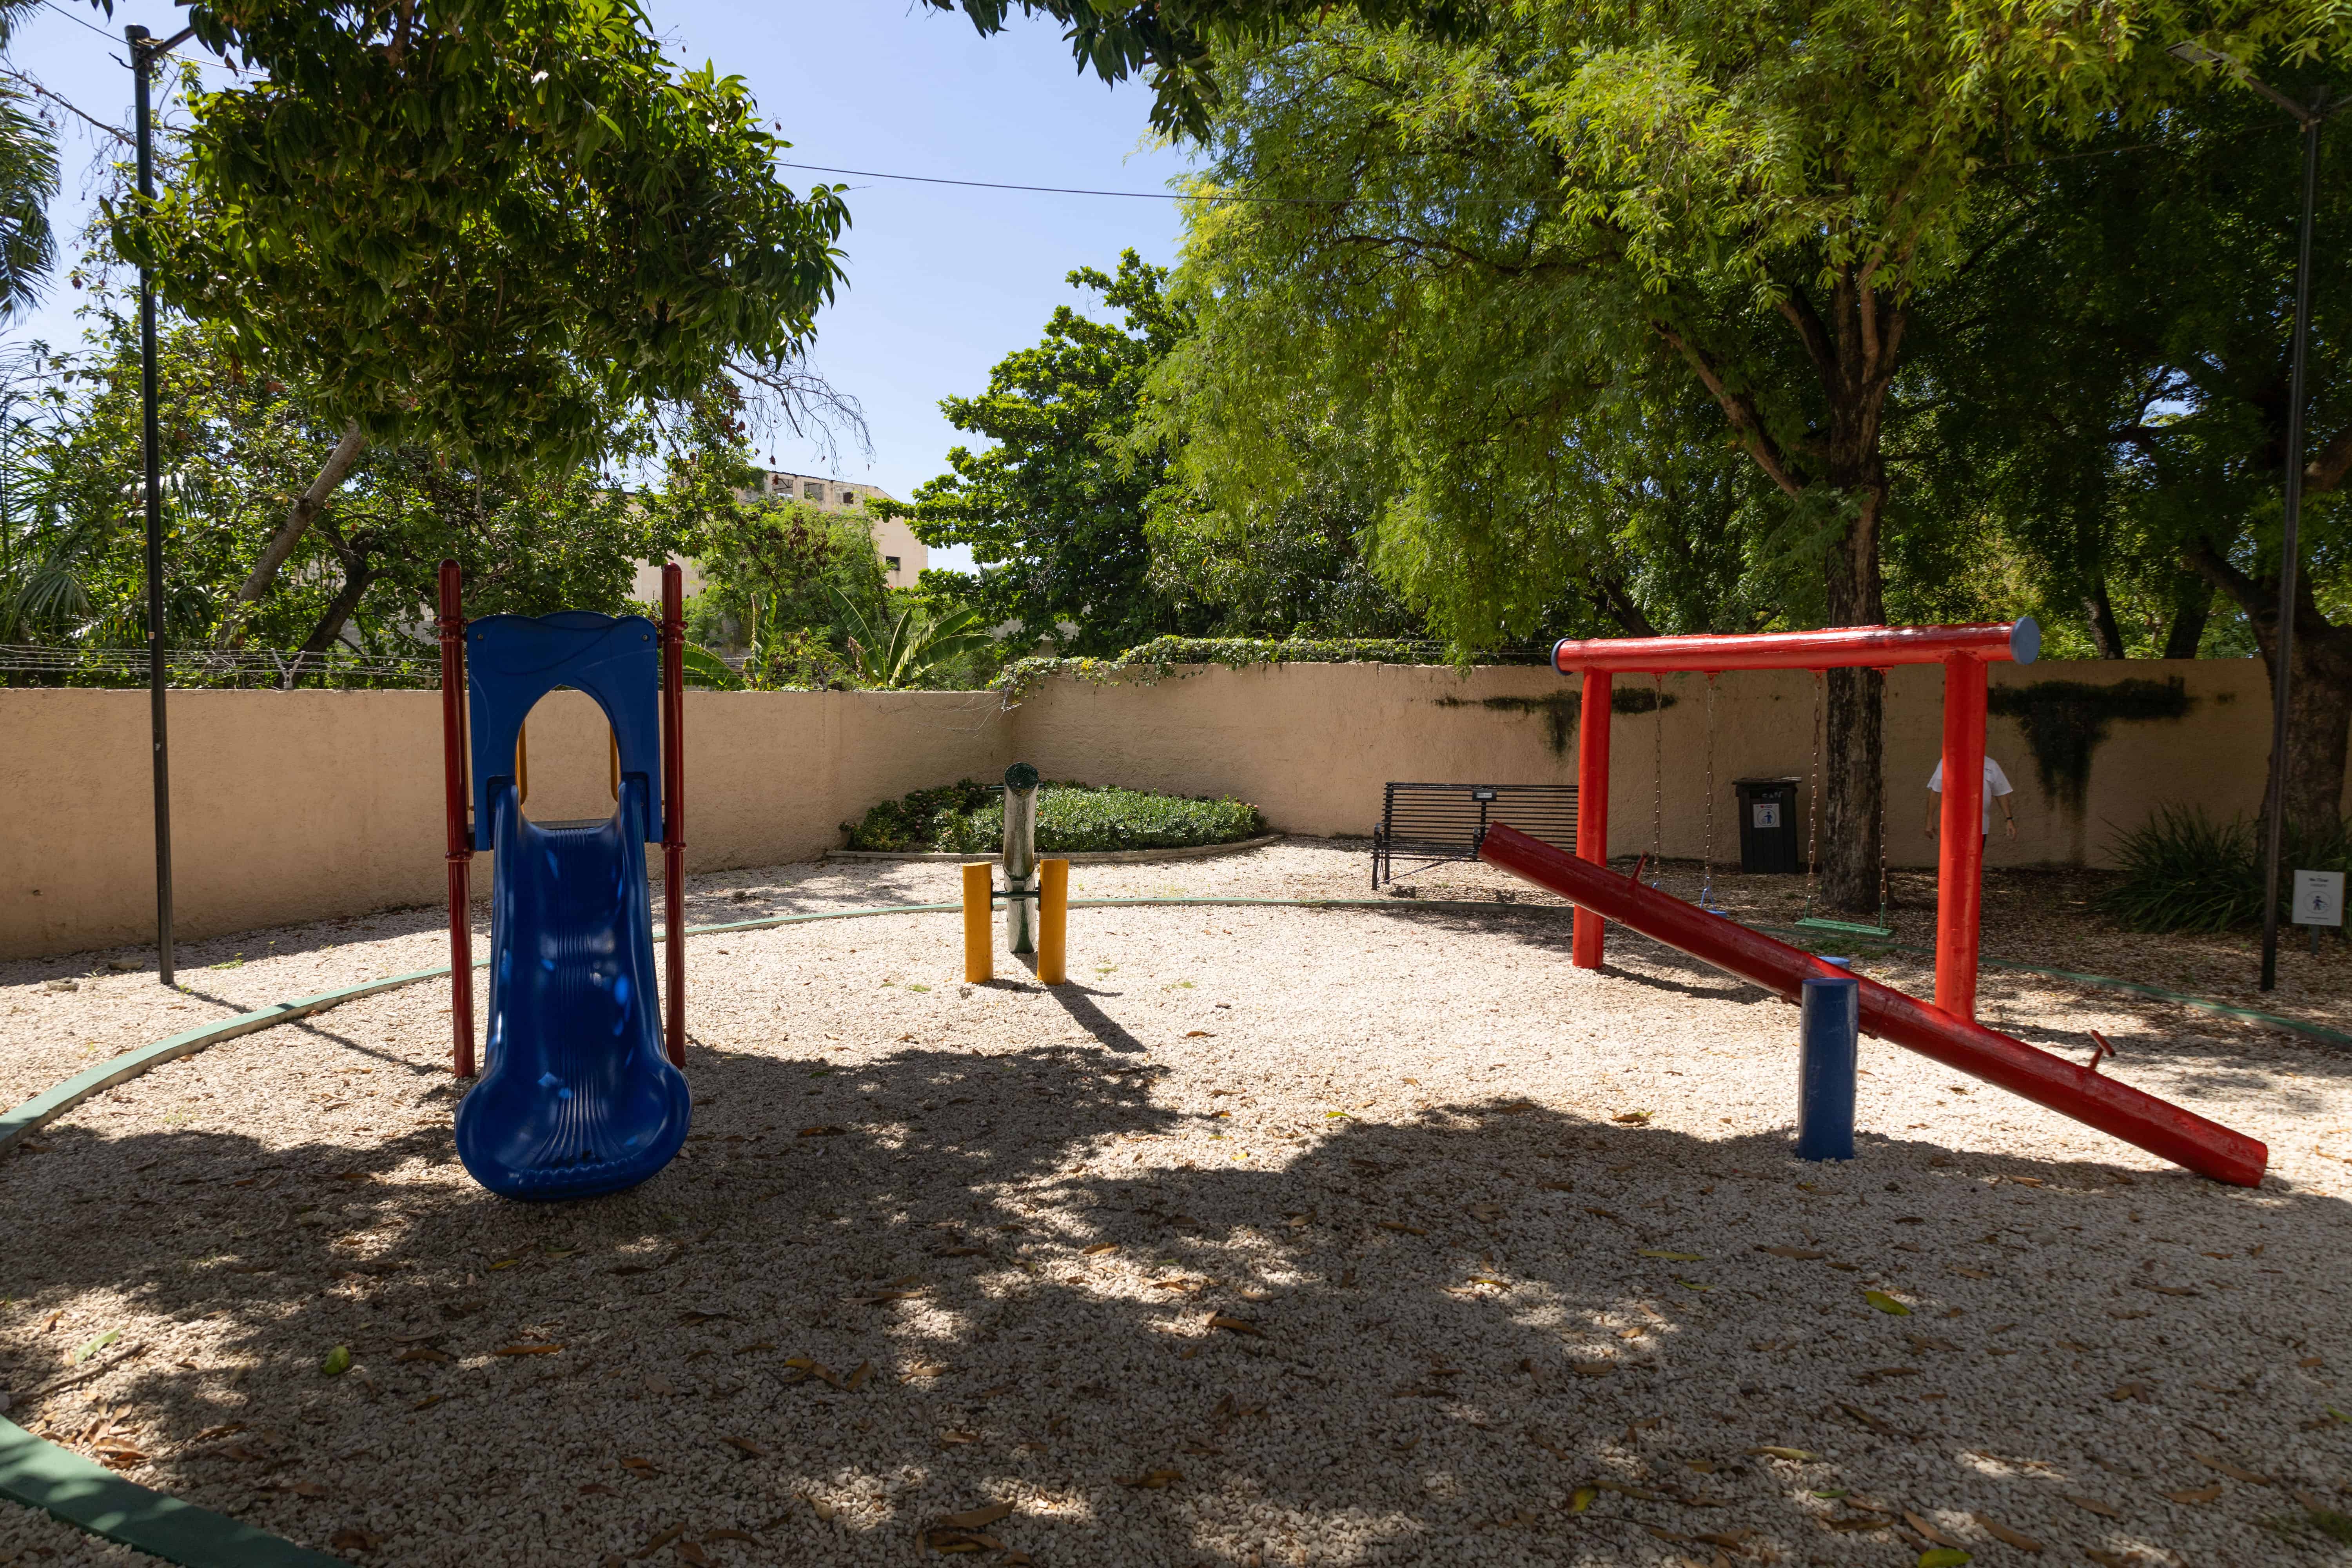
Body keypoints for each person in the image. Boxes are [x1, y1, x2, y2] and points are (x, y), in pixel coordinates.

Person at [1925, 756, 2016, 840]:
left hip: (1980, 827)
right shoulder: (1948, 761)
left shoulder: (1991, 765)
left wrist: (2009, 819)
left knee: (1976, 857)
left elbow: (2001, 793)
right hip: (1953, 827)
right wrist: (1929, 821)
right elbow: (1936, 792)